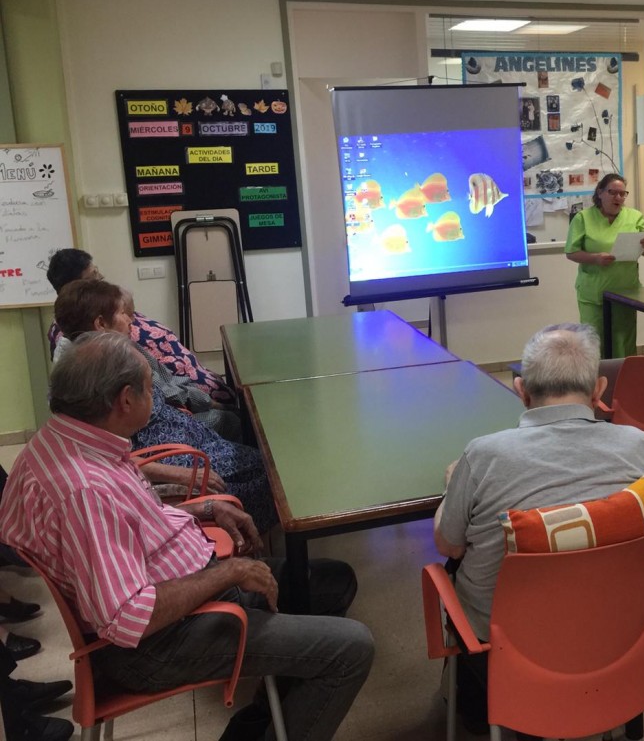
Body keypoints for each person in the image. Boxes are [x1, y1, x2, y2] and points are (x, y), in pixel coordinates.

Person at [0, 332, 374, 741]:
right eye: (150, 390)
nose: (154, 398)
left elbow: (126, 520)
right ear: (125, 400)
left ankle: (257, 728)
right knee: (351, 649)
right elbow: (129, 616)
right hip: (160, 642)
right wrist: (230, 572)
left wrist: (204, 509)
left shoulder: (65, 439)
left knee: (335, 581)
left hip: (177, 592)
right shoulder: (85, 490)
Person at [434, 323, 644, 734]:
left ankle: (480, 709)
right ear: (599, 391)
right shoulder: (639, 446)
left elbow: (449, 545)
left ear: (521, 390)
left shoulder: (482, 456)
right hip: (622, 635)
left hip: (509, 648)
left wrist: (451, 485)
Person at [52, 279, 276, 532]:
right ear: (101, 324)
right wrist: (176, 474)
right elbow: (103, 456)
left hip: (187, 439)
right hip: (173, 456)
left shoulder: (120, 352)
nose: (131, 319)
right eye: (123, 313)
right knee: (273, 479)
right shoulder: (92, 377)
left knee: (268, 463)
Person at [46, 248, 235, 403]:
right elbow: (160, 389)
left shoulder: (102, 312)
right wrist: (205, 403)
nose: (102, 278)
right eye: (94, 276)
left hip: (188, 385)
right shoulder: (101, 340)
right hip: (183, 401)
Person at [565, 174, 644, 358]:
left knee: (624, 343)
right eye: (613, 192)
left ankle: (624, 375)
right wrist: (595, 258)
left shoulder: (635, 217)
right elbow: (571, 253)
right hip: (594, 294)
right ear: (600, 193)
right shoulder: (583, 218)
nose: (618, 198)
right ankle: (596, 376)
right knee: (593, 343)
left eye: (622, 194)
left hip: (626, 292)